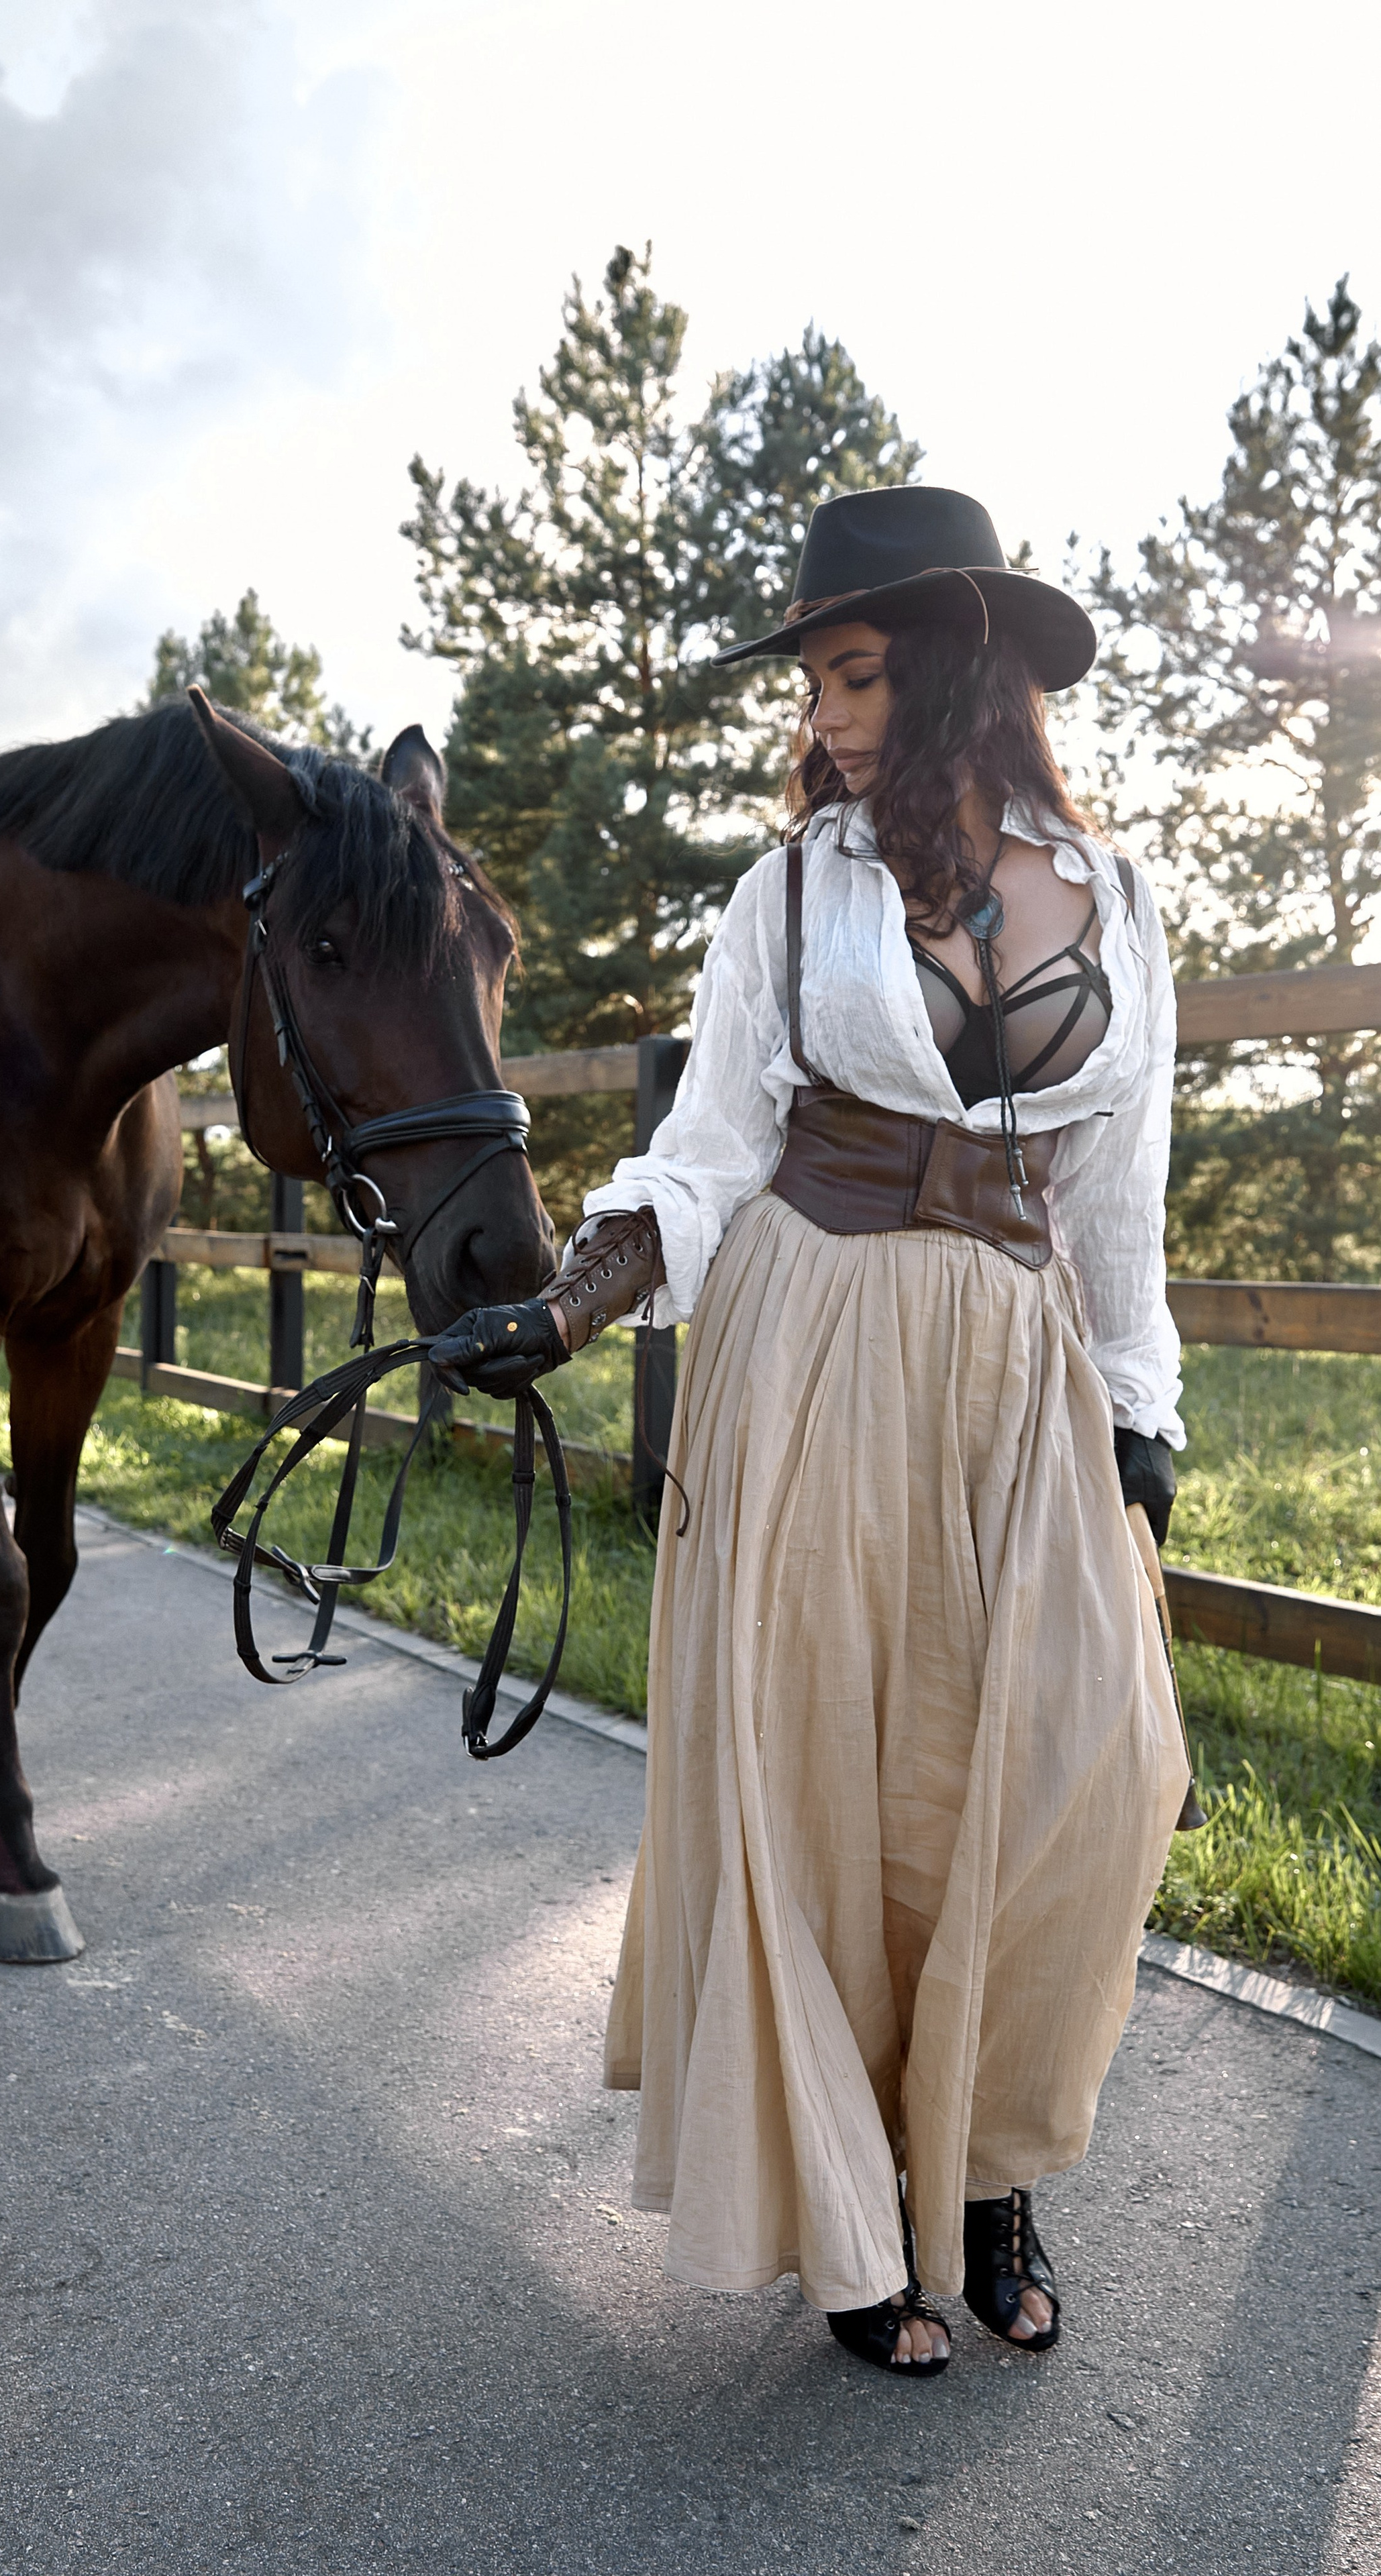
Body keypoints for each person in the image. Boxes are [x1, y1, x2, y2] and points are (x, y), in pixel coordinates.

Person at [429, 486, 1189, 2377]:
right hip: (818, 1329)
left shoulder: (1121, 896)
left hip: (1014, 1371)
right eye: (821, 681)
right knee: (834, 1796)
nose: (831, 717)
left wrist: (1141, 1408)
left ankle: (988, 2173)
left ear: (958, 676)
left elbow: (1120, 1188)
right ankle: (862, 2231)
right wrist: (571, 1300)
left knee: (1068, 1787)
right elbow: (711, 1148)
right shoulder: (793, 892)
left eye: (859, 674)